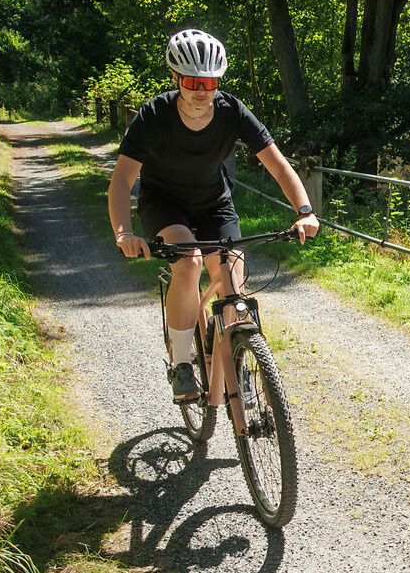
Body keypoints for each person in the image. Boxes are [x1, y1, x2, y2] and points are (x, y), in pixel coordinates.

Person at [110, 29, 319, 402]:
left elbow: (278, 165)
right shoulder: (154, 115)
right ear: (175, 78)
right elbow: (122, 180)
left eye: (209, 82)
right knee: (189, 263)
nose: (201, 90)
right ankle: (182, 363)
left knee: (233, 285)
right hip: (164, 203)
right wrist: (124, 232)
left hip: (213, 202)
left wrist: (304, 211)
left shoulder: (232, 111)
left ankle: (240, 365)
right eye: (192, 82)